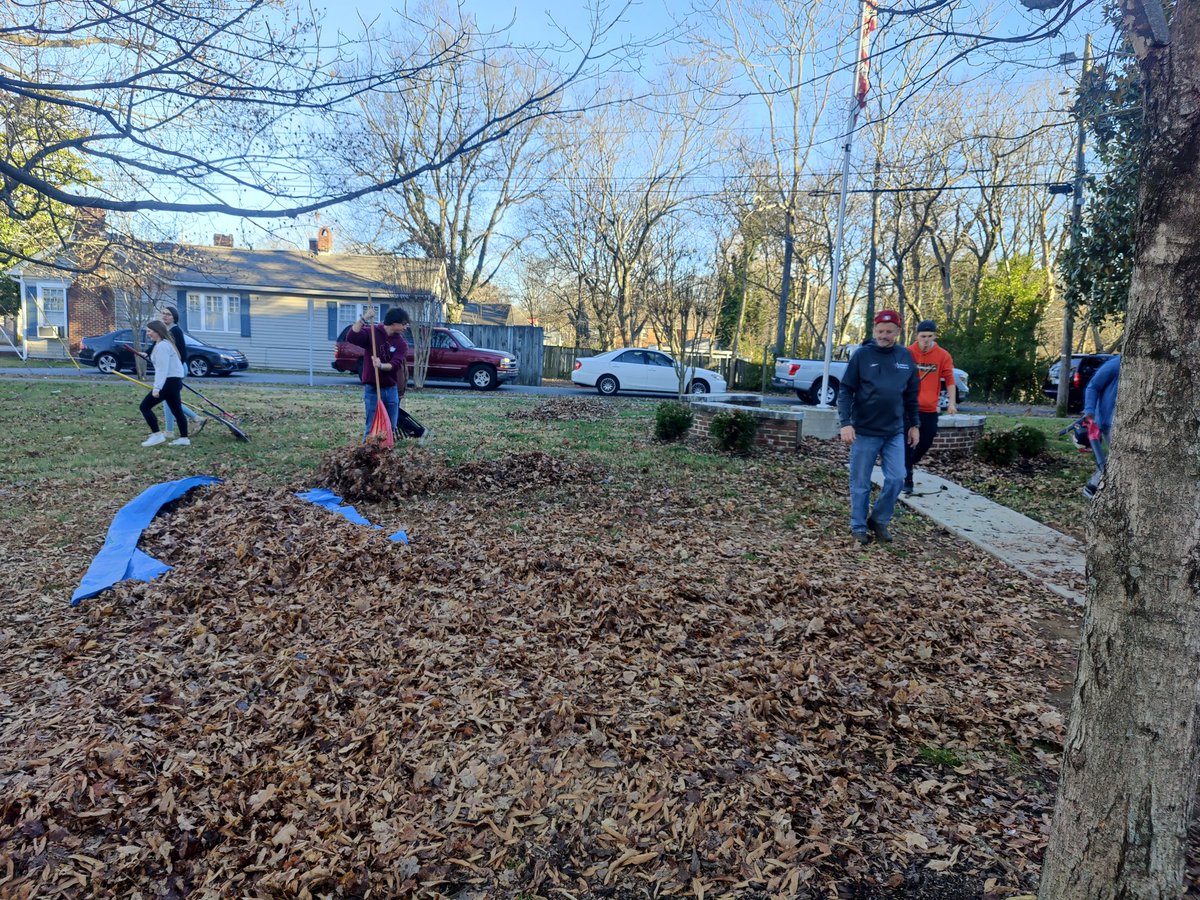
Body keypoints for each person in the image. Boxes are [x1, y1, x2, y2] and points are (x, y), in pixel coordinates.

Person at [837, 309, 920, 544]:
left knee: (897, 478)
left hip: (894, 430)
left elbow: (912, 394)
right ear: (874, 331)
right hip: (864, 430)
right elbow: (845, 390)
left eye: (889, 331)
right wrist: (846, 423)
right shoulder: (862, 355)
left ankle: (879, 520)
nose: (884, 335)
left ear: (898, 332)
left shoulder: (905, 357)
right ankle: (859, 526)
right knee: (860, 482)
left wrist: (914, 424)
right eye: (880, 331)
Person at [903, 319, 957, 494]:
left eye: (929, 336)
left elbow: (949, 379)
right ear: (916, 336)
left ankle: (908, 465)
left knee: (926, 441)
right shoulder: (908, 353)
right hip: (908, 406)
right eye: (922, 336)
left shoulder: (943, 355)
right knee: (907, 441)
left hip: (929, 408)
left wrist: (952, 402)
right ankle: (907, 477)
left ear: (935, 336)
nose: (926, 340)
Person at [346, 305, 410, 440]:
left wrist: (380, 365)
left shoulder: (401, 343)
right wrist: (364, 318)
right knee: (371, 428)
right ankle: (366, 456)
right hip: (372, 389)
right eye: (404, 324)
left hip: (391, 389)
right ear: (394, 324)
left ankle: (386, 455)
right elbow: (352, 336)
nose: (406, 327)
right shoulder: (372, 333)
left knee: (390, 428)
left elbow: (395, 365)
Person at [139, 320, 190, 447]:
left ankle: (157, 435)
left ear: (157, 332)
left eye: (150, 331)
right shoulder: (164, 344)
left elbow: (162, 370)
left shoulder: (162, 346)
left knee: (144, 407)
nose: (148, 333)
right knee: (177, 410)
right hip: (174, 382)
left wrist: (157, 388)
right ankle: (184, 438)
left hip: (168, 383)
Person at [158, 305, 205, 438]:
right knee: (169, 399)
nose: (165, 316)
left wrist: (175, 368)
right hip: (172, 369)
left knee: (168, 399)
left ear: (174, 317)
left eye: (168, 314)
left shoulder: (175, 330)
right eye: (163, 313)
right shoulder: (166, 331)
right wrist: (146, 353)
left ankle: (192, 420)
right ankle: (171, 430)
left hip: (177, 369)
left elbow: (182, 353)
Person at [1081, 355, 1120, 499]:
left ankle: (1093, 487)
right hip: (1110, 421)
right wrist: (1089, 410)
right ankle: (1094, 488)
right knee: (1118, 459)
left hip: (1125, 422)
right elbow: (1093, 386)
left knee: (1116, 459)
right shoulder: (1116, 364)